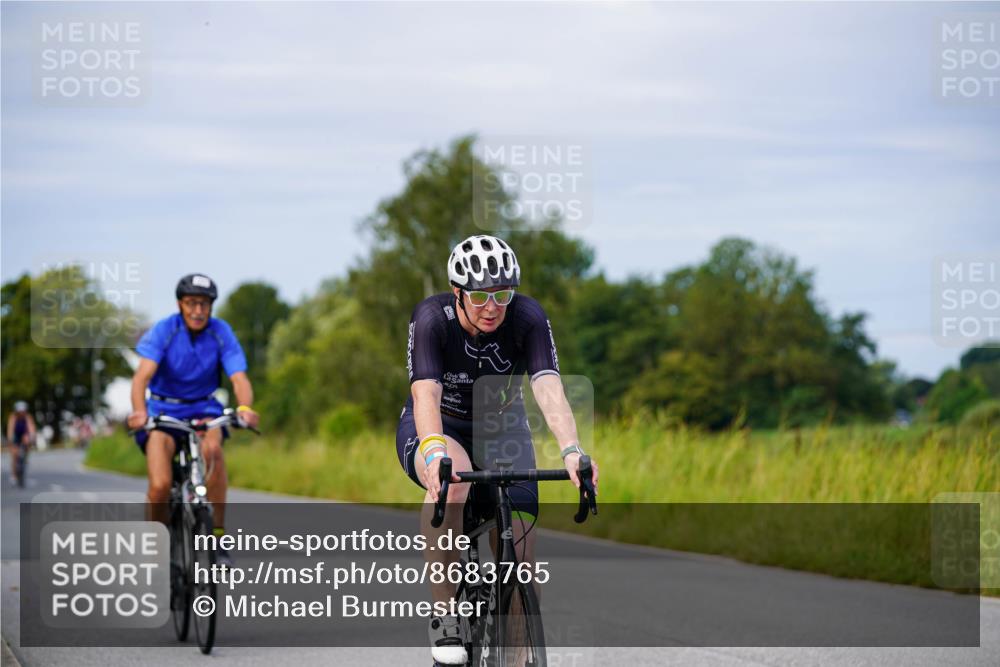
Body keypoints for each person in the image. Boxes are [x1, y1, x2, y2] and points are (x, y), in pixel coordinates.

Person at [396, 234, 600, 665]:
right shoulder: (433, 318)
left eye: (502, 294)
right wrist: (434, 455)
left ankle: (517, 655)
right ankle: (446, 615)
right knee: (453, 482)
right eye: (481, 296)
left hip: (501, 426)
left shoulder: (526, 317)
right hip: (438, 425)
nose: (493, 307)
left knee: (521, 559)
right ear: (458, 292)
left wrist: (571, 451)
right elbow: (426, 396)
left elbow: (547, 385)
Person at [126, 274, 259, 566]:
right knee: (160, 485)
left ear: (211, 307)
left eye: (204, 304)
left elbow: (239, 378)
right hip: (164, 410)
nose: (198, 311)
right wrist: (139, 412)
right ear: (180, 304)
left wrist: (245, 407)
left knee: (213, 452)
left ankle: (218, 537)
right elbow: (141, 379)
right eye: (191, 303)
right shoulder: (165, 330)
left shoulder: (221, 332)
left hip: (203, 409)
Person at [6, 401, 36, 486]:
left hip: (24, 435)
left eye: (23, 411)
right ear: (17, 411)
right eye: (20, 412)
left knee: (27, 442)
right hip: (16, 435)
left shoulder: (28, 417)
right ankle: (14, 475)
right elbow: (10, 429)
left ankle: (25, 459)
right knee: (14, 454)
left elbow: (31, 428)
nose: (22, 413)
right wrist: (10, 440)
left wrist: (32, 438)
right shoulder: (13, 417)